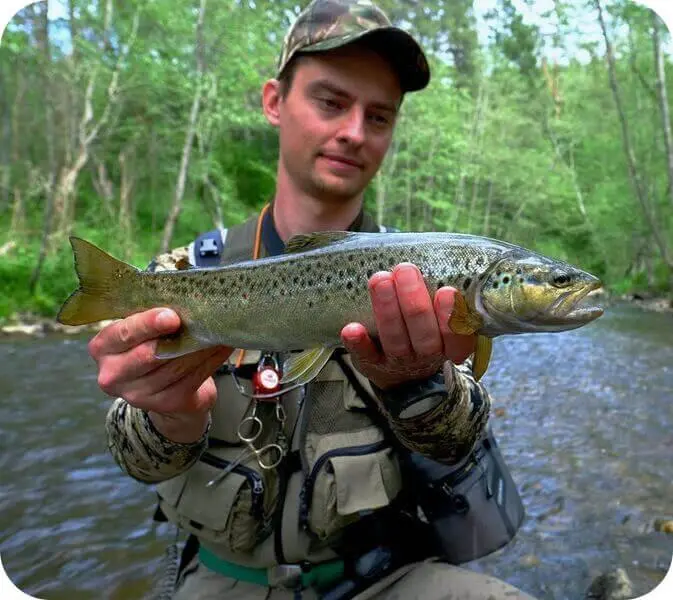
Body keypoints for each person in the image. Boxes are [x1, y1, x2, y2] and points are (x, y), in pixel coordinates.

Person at [93, 1, 538, 599]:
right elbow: (136, 459)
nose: (355, 131)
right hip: (224, 580)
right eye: (331, 102)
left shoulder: (423, 280)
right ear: (274, 101)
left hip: (384, 578)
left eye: (379, 116)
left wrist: (421, 384)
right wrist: (169, 415)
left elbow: (459, 443)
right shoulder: (180, 277)